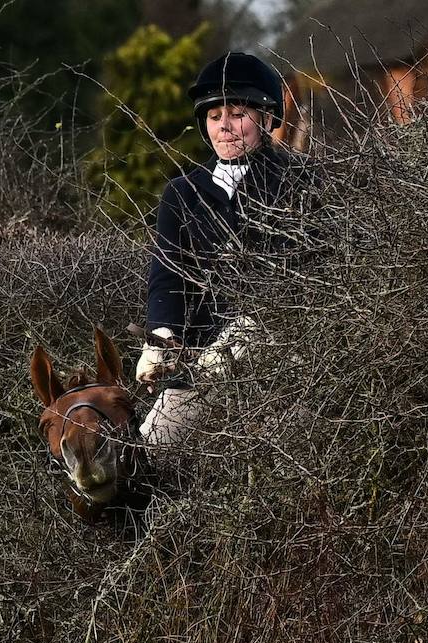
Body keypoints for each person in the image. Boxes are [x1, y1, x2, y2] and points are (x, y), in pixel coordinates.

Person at [136, 51, 305, 451]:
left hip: (288, 351)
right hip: (198, 363)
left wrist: (251, 326)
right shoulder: (180, 193)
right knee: (150, 448)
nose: (224, 127)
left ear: (267, 118)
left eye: (237, 114)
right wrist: (161, 335)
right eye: (215, 117)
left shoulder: (300, 182)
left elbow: (299, 266)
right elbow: (167, 274)